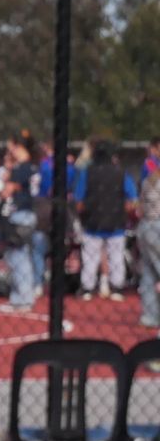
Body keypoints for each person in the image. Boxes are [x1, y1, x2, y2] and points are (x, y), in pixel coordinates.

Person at [73, 138, 136, 301]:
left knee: (90, 257)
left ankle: (87, 288)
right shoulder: (121, 172)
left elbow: (79, 201)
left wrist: (85, 212)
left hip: (92, 222)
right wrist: (121, 210)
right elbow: (132, 199)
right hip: (116, 222)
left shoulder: (88, 172)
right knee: (116, 256)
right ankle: (116, 288)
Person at [1, 137, 39, 310]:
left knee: (18, 257)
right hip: (28, 213)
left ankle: (22, 298)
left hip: (20, 214)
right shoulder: (32, 167)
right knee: (21, 256)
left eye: (13, 149)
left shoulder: (22, 168)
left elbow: (6, 191)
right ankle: (22, 297)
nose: (11, 153)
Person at [138, 142, 160, 332]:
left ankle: (149, 315)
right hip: (157, 226)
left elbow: (139, 208)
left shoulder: (149, 179)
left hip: (145, 225)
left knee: (148, 272)